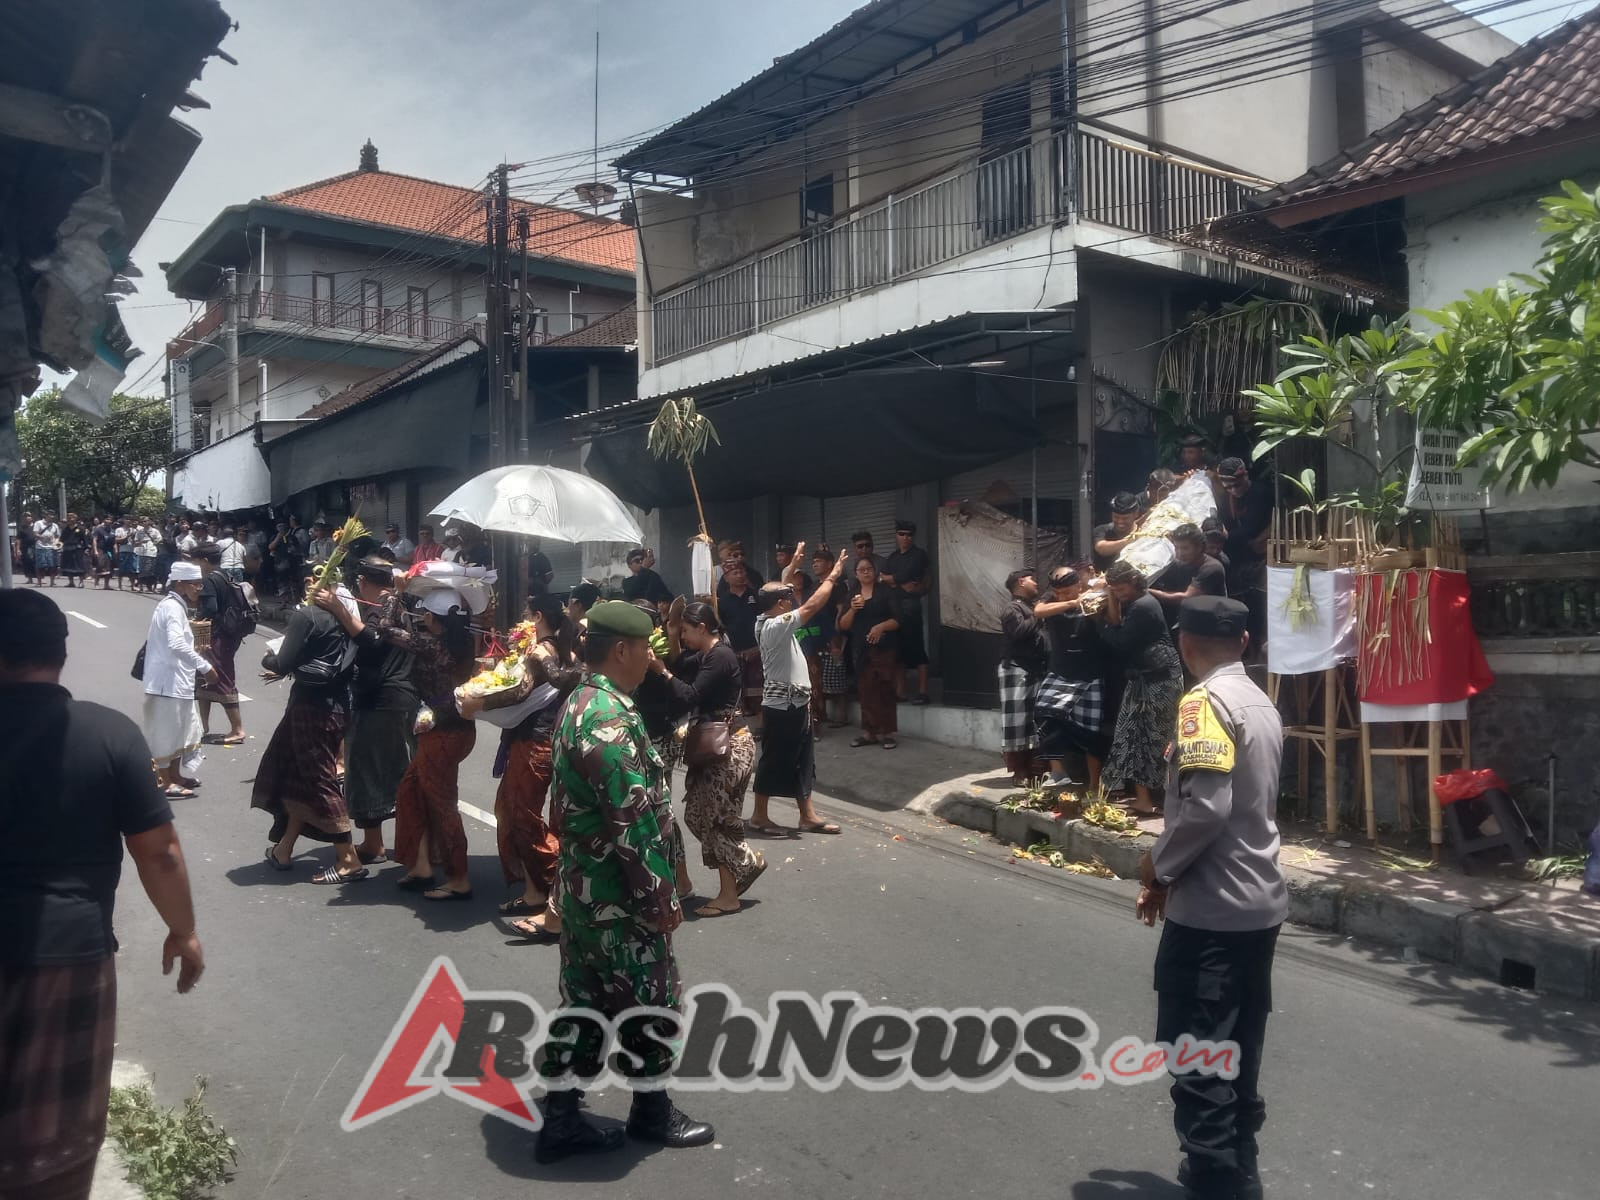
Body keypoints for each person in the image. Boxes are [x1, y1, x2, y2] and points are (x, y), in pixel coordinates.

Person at [0, 590, 205, 1200]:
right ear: (62, 653)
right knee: (55, 1132)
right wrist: (184, 931)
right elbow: (161, 852)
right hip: (67, 957)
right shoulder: (109, 734)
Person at [534, 600, 712, 1162]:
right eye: (647, 648)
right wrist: (659, 897)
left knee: (584, 1003)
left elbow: (562, 809)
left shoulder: (582, 701)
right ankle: (651, 1113)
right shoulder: (607, 717)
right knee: (653, 1000)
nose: (652, 656)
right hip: (618, 896)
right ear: (621, 650)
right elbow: (630, 820)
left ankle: (561, 1116)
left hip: (587, 891)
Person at [1137, 595, 1286, 1200]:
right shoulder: (1261, 700)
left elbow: (1206, 808)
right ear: (1244, 642)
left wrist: (1156, 869)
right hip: (1259, 908)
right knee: (1238, 1049)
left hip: (1211, 914)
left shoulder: (1203, 704)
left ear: (1184, 645)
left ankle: (1217, 1180)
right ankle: (1236, 1169)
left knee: (1199, 1059)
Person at [323, 587, 477, 899]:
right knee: (410, 793)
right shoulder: (462, 642)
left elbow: (382, 630)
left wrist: (396, 594)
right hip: (453, 729)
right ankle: (422, 864)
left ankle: (459, 877)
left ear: (431, 618)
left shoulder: (431, 646)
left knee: (442, 804)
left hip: (444, 733)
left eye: (424, 616)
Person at [468, 593, 581, 939]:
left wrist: (477, 699)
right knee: (512, 809)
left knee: (522, 815)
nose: (524, 619)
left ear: (539, 616)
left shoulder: (544, 652)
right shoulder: (559, 648)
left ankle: (551, 883)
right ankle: (535, 886)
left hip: (536, 742)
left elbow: (519, 693)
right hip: (541, 739)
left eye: (527, 613)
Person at [651, 602, 766, 917]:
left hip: (729, 748)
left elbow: (688, 695)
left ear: (702, 627)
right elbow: (680, 663)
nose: (685, 637)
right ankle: (744, 863)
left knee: (716, 818)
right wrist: (672, 634)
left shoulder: (721, 656)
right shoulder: (706, 655)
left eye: (687, 631)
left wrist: (661, 672)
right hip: (717, 747)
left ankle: (729, 894)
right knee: (697, 817)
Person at [255, 571, 362, 884]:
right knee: (296, 777)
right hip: (338, 706)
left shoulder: (307, 616)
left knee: (319, 780)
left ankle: (348, 858)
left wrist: (269, 659)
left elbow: (283, 662)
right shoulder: (346, 616)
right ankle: (284, 849)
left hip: (311, 708)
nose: (307, 584)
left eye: (313, 578)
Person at [748, 545, 850, 836]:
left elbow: (779, 585)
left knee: (804, 761)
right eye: (788, 596)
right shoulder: (775, 626)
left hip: (797, 703)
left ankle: (807, 816)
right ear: (780, 604)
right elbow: (811, 607)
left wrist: (791, 566)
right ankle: (759, 816)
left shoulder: (769, 616)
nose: (792, 598)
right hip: (783, 706)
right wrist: (832, 577)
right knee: (774, 760)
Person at [334, 557, 417, 865]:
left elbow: (371, 642)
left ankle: (373, 844)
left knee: (367, 770)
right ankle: (415, 844)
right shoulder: (401, 604)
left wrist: (339, 611)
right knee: (398, 770)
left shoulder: (382, 608)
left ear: (364, 582)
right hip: (402, 696)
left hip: (381, 699)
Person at [1099, 561, 1184, 817]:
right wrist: (1112, 598)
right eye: (1114, 590)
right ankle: (1141, 797)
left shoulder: (1143, 606)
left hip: (1160, 679)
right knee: (1132, 734)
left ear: (1135, 582)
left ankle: (1163, 798)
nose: (1118, 594)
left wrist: (1099, 623)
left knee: (1155, 739)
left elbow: (1120, 641)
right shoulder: (1132, 603)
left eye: (1121, 589)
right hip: (1143, 679)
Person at [140, 561, 214, 798]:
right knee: (165, 733)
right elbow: (177, 643)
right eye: (195, 585)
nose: (198, 590)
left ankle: (175, 775)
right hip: (166, 683)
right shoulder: (171, 607)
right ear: (180, 583)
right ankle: (163, 782)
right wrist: (205, 667)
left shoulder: (177, 606)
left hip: (178, 681)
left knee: (182, 731)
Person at [1032, 568, 1110, 790]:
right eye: (1059, 593)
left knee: (1090, 729)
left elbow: (1107, 611)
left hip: (1089, 674)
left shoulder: (1094, 597)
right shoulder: (1053, 601)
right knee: (1043, 711)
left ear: (1079, 585)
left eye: (1068, 591)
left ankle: (1095, 785)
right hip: (1060, 671)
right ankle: (1058, 772)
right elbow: (1038, 611)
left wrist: (1095, 593)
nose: (1062, 596)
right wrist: (1072, 602)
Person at [838, 555, 900, 748]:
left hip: (884, 648)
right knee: (865, 690)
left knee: (885, 688)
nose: (865, 572)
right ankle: (869, 732)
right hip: (861, 649)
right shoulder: (853, 594)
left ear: (874, 571)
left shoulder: (886, 592)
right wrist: (853, 610)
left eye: (869, 569)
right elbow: (843, 625)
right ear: (856, 574)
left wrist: (880, 627)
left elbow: (899, 620)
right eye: (861, 570)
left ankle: (887, 733)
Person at [1217, 458, 1273, 661]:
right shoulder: (1226, 499)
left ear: (1246, 476)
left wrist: (1226, 537)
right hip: (1239, 557)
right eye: (1228, 486)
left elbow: (1250, 529)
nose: (1233, 490)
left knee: (1259, 607)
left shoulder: (1260, 493)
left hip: (1260, 557)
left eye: (1237, 485)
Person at [193, 545, 247, 748]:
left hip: (215, 635)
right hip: (227, 635)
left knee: (222, 679)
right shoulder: (225, 575)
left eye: (196, 560)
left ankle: (237, 729)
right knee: (203, 679)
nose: (194, 565)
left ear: (204, 560)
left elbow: (210, 608)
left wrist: (196, 620)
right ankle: (203, 726)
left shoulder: (209, 579)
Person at [999, 568, 1048, 783]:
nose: (1036, 583)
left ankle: (1035, 768)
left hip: (1036, 668)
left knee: (1035, 720)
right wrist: (1038, 613)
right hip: (1016, 668)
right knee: (1017, 721)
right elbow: (1018, 632)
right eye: (1032, 579)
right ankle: (1019, 771)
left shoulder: (1030, 607)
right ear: (1021, 582)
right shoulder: (1012, 608)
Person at [883, 519, 932, 704]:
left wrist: (893, 580)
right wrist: (897, 582)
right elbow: (884, 578)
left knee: (917, 648)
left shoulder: (919, 555)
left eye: (909, 534)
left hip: (911, 606)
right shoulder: (893, 557)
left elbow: (907, 577)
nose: (905, 538)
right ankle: (900, 691)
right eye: (902, 534)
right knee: (897, 650)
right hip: (894, 607)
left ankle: (923, 691)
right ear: (896, 535)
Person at [1148, 523, 1228, 631]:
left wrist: (1146, 590)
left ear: (1199, 547)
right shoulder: (1181, 563)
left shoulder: (1211, 568)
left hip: (1210, 625)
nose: (1180, 553)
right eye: (1177, 548)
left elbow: (1185, 598)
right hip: (1189, 618)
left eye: (1185, 548)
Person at [715, 558, 763, 717]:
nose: (740, 575)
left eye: (742, 572)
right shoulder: (722, 602)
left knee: (759, 692)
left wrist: (758, 649)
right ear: (726, 578)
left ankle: (761, 726)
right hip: (735, 654)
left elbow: (765, 622)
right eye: (735, 573)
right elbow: (720, 628)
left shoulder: (756, 596)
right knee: (738, 694)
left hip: (758, 651)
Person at [1092, 493, 1142, 573]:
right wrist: (1130, 540)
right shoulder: (1102, 530)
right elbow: (1101, 548)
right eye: (1116, 517)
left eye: (1125, 518)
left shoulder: (1145, 533)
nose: (1120, 522)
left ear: (1136, 514)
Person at [622, 546, 673, 612]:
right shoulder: (627, 581)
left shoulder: (653, 576)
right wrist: (644, 568)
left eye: (642, 559)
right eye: (637, 561)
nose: (641, 562)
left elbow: (667, 597)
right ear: (629, 565)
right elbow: (631, 593)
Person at [31, 512, 60, 587]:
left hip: (51, 548)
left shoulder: (55, 525)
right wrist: (42, 537)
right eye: (50, 515)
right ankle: (39, 582)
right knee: (40, 565)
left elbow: (57, 536)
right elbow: (35, 534)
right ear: (46, 516)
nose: (52, 517)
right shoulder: (38, 523)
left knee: (52, 566)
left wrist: (56, 546)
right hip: (40, 547)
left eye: (53, 516)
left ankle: (52, 582)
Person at [59, 514, 88, 587]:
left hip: (77, 549)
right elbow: (61, 539)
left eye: (71, 518)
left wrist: (86, 548)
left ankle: (81, 582)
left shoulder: (80, 528)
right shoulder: (66, 529)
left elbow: (84, 539)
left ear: (75, 519)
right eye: (68, 518)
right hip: (67, 549)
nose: (69, 519)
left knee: (79, 566)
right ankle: (71, 582)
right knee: (68, 566)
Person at [134, 518, 161, 593]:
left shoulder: (155, 531)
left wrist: (152, 541)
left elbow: (158, 540)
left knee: (150, 570)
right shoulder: (139, 531)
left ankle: (150, 587)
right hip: (142, 552)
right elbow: (136, 542)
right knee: (142, 570)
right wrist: (142, 541)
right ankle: (141, 587)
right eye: (142, 521)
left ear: (149, 522)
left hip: (151, 553)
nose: (144, 523)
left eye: (145, 521)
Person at [92, 515, 116, 589]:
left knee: (109, 567)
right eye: (107, 519)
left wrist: (115, 550)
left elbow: (114, 542)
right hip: (101, 549)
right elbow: (95, 540)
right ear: (104, 520)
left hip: (109, 551)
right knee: (100, 565)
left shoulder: (112, 531)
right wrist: (95, 550)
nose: (108, 521)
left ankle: (106, 585)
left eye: (110, 520)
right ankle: (96, 583)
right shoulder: (99, 529)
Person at [114, 517, 136, 590]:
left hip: (132, 551)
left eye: (130, 519)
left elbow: (136, 540)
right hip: (123, 550)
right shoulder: (119, 530)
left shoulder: (134, 530)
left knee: (132, 569)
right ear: (124, 521)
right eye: (127, 519)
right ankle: (119, 586)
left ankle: (133, 586)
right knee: (121, 569)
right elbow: (117, 539)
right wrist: (127, 536)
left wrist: (133, 537)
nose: (128, 521)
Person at [17, 510, 36, 584]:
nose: (27, 517)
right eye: (25, 516)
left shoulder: (36, 526)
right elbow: (18, 539)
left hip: (35, 547)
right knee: (27, 563)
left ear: (32, 518)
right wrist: (18, 549)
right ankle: (30, 579)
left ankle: (40, 578)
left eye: (29, 516)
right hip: (25, 548)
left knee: (36, 562)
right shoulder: (22, 528)